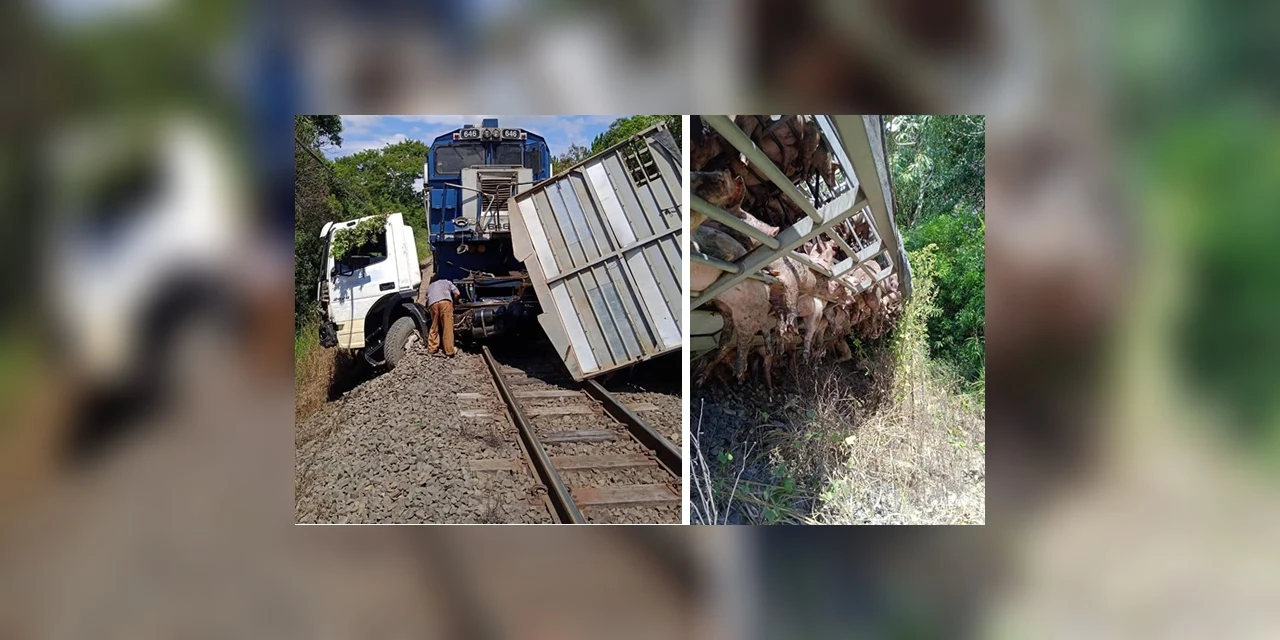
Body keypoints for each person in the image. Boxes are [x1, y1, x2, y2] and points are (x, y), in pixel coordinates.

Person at [424, 274, 460, 357]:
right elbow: (457, 293)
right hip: (445, 302)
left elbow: (426, 301)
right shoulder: (447, 282)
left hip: (432, 304)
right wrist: (454, 303)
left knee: (434, 326)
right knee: (447, 327)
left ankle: (432, 348)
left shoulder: (429, 287)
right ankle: (449, 350)